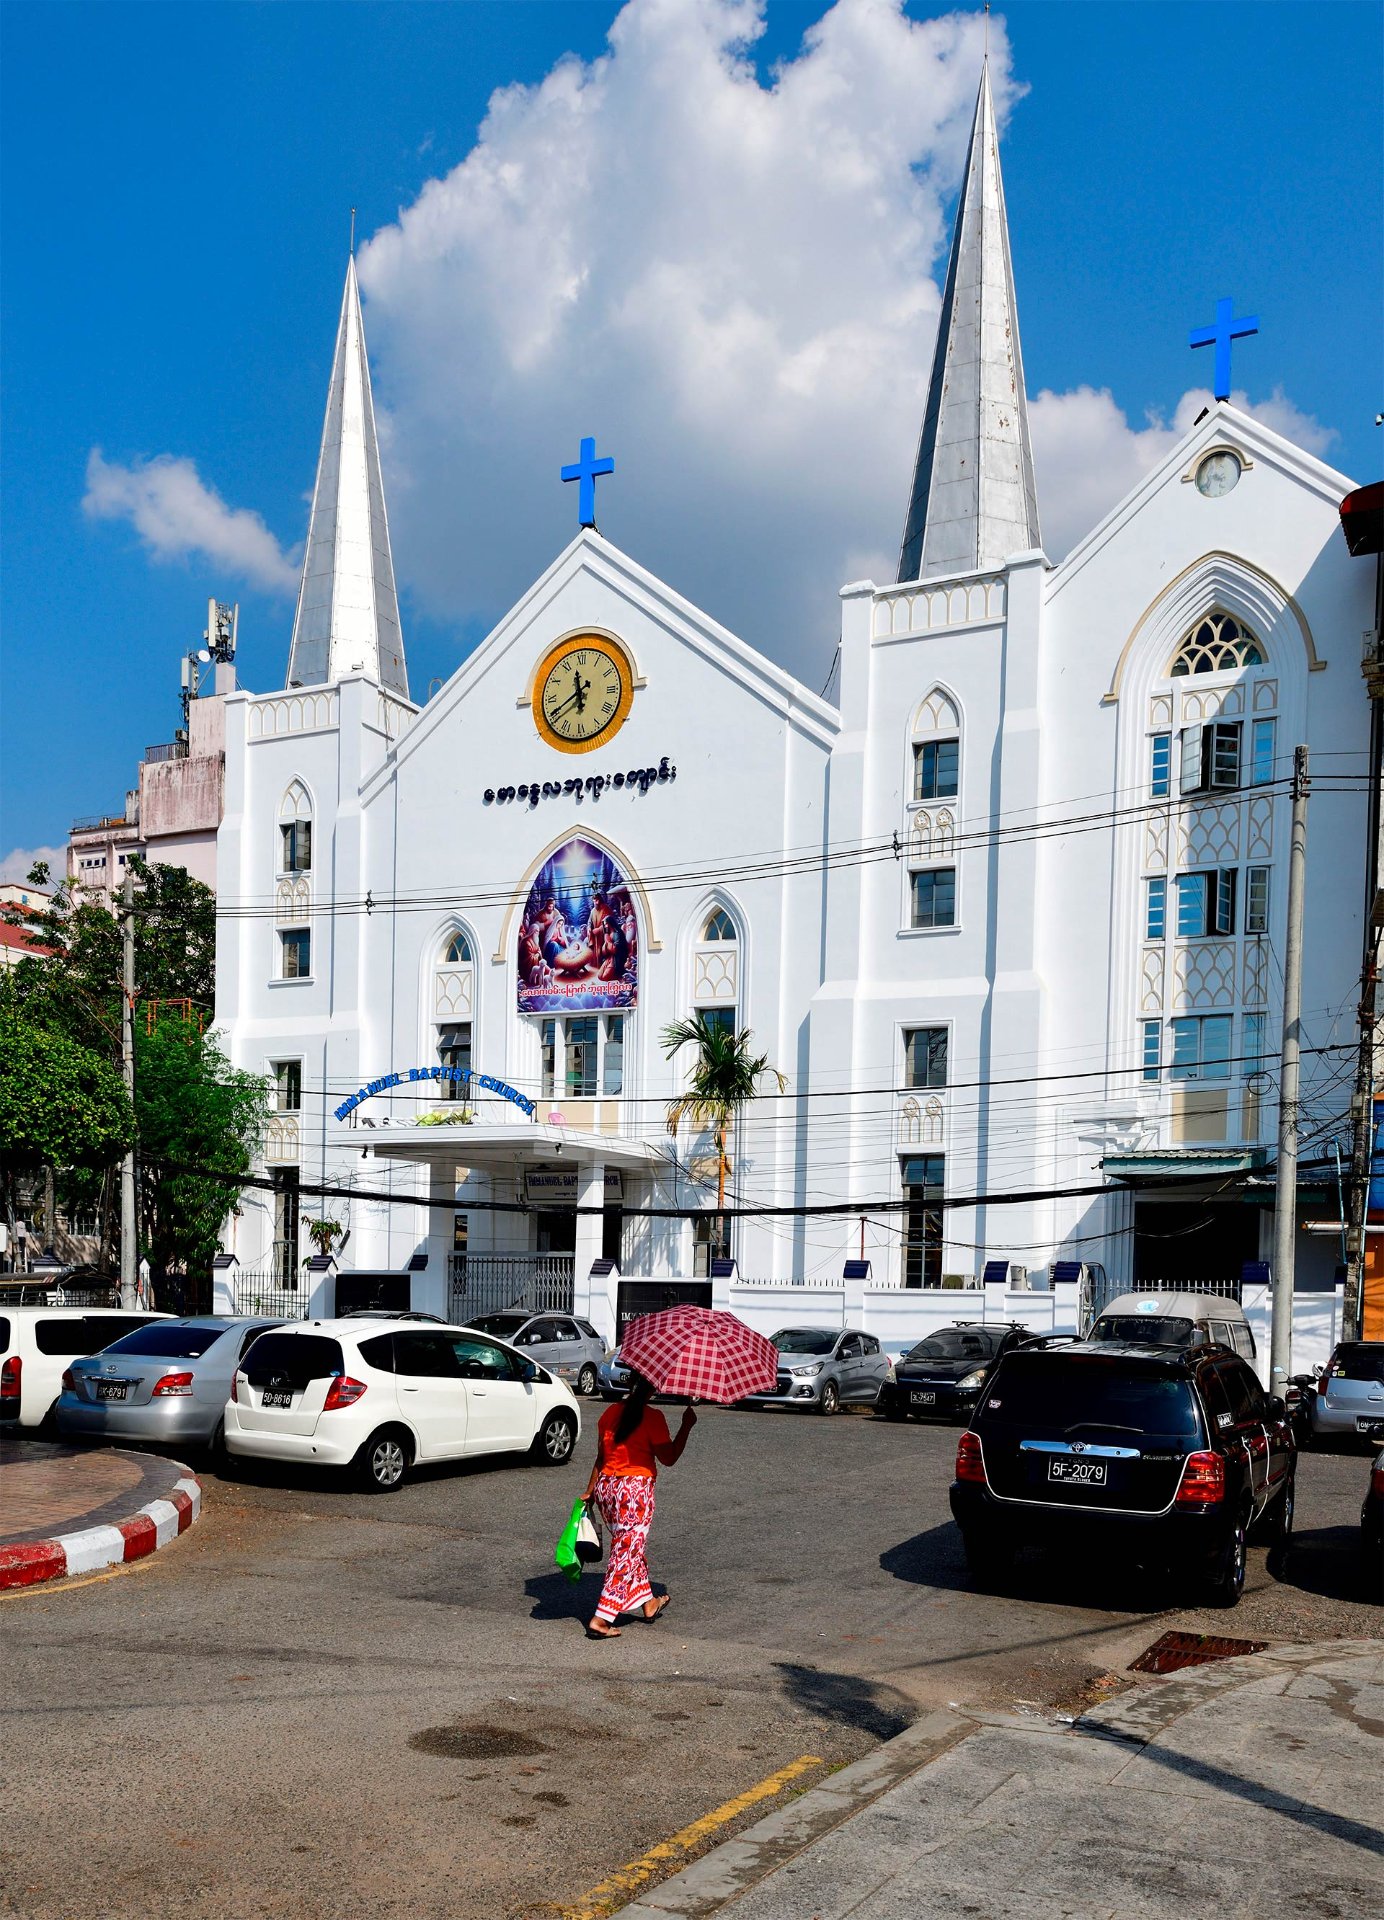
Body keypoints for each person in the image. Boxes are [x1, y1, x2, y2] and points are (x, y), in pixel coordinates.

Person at [581, 1373, 696, 1639]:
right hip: (634, 1494)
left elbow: (601, 1457)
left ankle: (649, 1603)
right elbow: (668, 1458)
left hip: (607, 1490)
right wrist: (686, 1426)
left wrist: (589, 1491)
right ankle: (601, 1618)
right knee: (626, 1554)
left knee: (630, 1547)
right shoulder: (652, 1417)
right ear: (653, 1389)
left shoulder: (610, 1412)